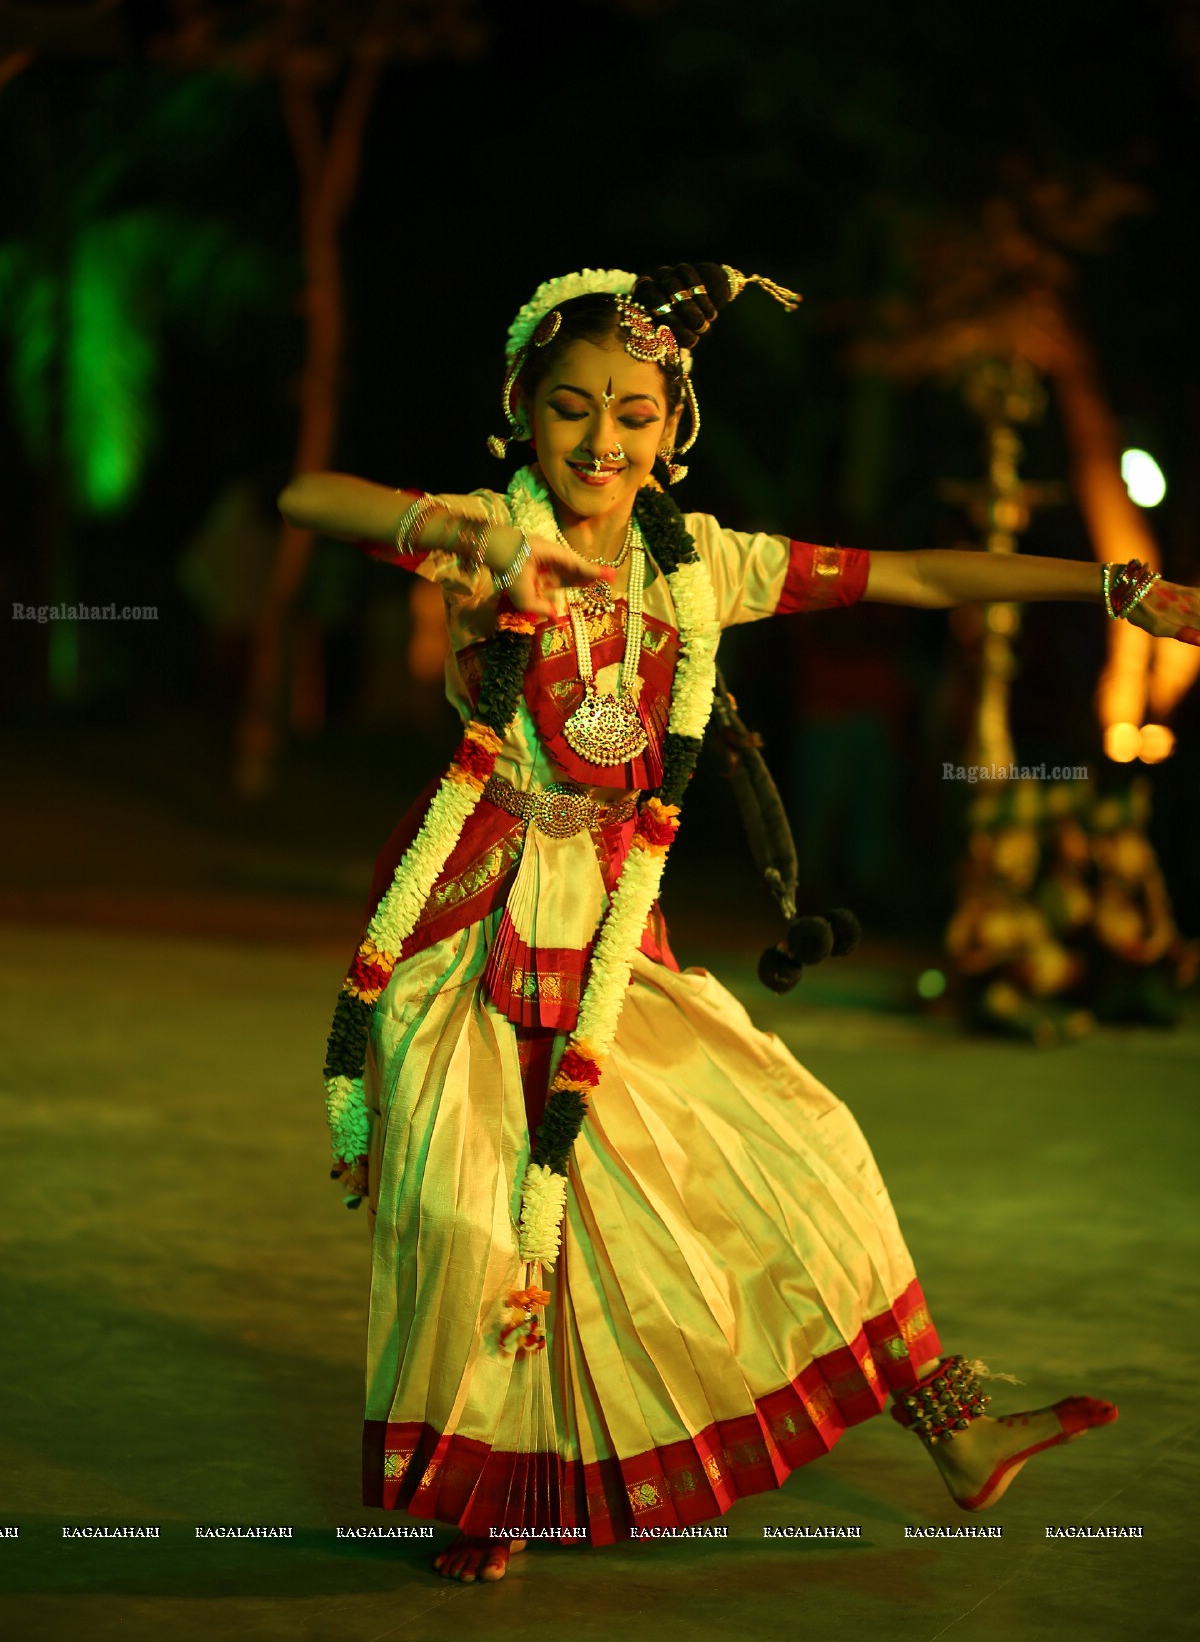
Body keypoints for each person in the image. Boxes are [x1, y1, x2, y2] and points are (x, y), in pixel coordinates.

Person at [277, 263, 1199, 1584]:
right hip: (473, 923)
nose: (605, 441)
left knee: (796, 1148)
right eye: (574, 409)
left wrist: (1111, 588)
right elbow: (302, 498)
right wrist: (478, 542)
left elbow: (921, 577)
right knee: (474, 1215)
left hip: (610, 934)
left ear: (673, 430)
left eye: (636, 414)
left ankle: (954, 1425)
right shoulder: (485, 524)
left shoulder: (702, 567)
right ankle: (483, 1491)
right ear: (525, 413)